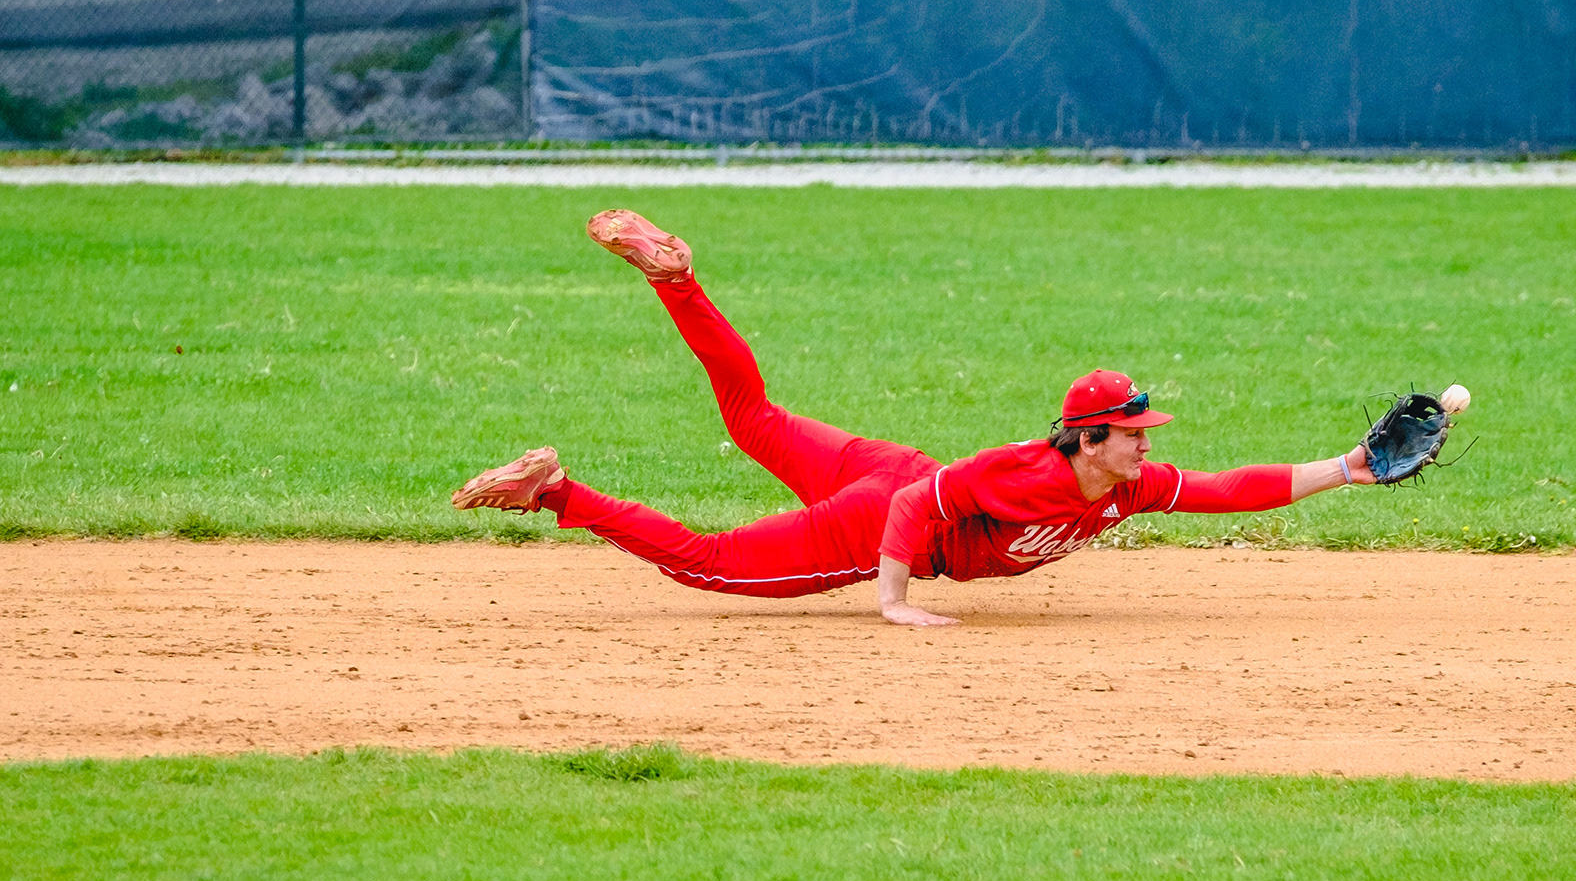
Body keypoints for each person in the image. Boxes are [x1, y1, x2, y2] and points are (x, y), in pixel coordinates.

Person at [451, 209, 1378, 627]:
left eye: (1146, 433)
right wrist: (894, 602)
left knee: (752, 416)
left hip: (885, 466)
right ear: (1088, 435)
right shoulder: (1039, 474)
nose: (1148, 442)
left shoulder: (1123, 488)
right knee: (715, 566)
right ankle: (558, 492)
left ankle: (676, 278)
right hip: (886, 513)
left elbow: (1228, 487)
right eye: (1134, 431)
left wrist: (1347, 468)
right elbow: (915, 510)